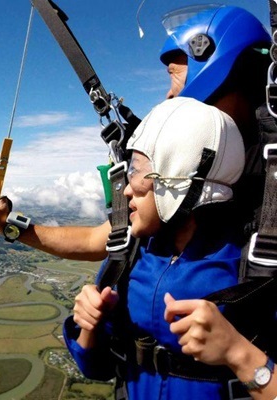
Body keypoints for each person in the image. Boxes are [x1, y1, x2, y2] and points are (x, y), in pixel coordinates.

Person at [0, 4, 271, 263]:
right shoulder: (171, 165)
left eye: (173, 74)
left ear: (214, 65)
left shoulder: (268, 173)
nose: (169, 95)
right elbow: (100, 240)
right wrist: (12, 227)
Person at [66, 97, 276, 399]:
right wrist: (90, 326)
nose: (127, 189)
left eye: (137, 172)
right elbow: (96, 368)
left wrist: (238, 354)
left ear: (178, 177)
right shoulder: (131, 255)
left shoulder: (255, 269)